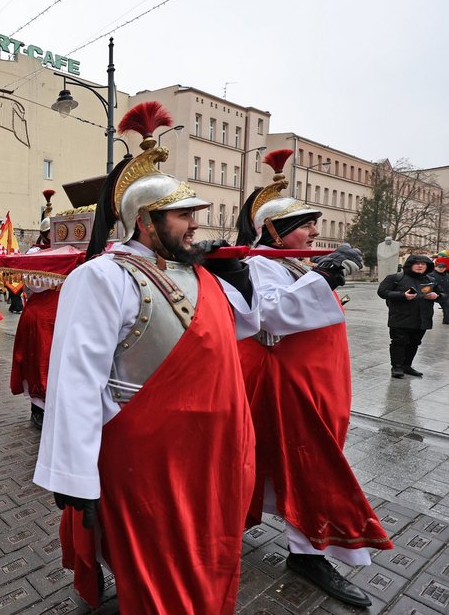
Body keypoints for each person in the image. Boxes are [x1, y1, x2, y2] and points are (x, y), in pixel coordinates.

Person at [33, 102, 258, 613]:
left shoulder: (200, 273)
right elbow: (75, 382)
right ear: (146, 222)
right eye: (183, 216)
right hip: (144, 460)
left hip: (205, 455)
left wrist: (242, 285)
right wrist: (75, 478)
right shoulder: (103, 278)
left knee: (201, 556)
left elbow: (236, 336)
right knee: (157, 572)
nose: (195, 227)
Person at [235, 149, 391, 608]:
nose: (315, 233)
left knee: (309, 461)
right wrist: (325, 277)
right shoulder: (258, 264)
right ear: (274, 231)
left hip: (322, 383)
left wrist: (319, 275)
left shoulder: (290, 261)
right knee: (309, 465)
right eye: (305, 225)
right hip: (293, 386)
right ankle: (309, 551)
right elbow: (270, 318)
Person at [10, 189, 59, 429]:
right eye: (54, 231)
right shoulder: (34, 253)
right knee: (39, 362)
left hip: (61, 317)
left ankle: (53, 406)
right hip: (40, 317)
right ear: (45, 233)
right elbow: (33, 286)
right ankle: (38, 409)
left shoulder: (68, 252)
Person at [377, 254, 440, 378]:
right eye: (417, 263)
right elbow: (382, 292)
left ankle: (407, 366)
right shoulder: (395, 277)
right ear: (410, 265)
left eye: (423, 264)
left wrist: (437, 296)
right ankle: (397, 367)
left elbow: (442, 293)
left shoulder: (430, 280)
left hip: (422, 318)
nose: (420, 266)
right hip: (400, 317)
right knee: (399, 342)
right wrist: (402, 295)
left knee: (414, 342)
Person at [431, 255, 449, 324]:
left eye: (443, 268)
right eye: (440, 267)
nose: (441, 269)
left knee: (447, 307)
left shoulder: (447, 275)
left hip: (445, 294)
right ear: (436, 267)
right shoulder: (431, 275)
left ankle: (447, 321)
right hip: (433, 294)